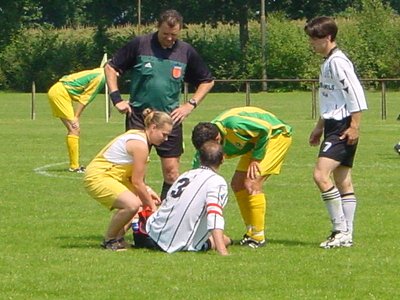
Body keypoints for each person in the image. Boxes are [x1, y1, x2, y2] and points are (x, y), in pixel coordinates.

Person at [104, 9, 214, 199]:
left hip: (171, 119)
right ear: (157, 27)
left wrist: (190, 105)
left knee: (172, 171)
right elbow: (110, 67)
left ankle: (165, 217)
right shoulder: (140, 44)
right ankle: (139, 219)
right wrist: (116, 99)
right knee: (136, 173)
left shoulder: (185, 51)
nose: (170, 38)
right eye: (165, 34)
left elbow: (208, 80)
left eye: (174, 35)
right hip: (139, 117)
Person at [304, 16, 368, 248]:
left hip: (343, 126)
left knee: (321, 175)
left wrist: (354, 126)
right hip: (333, 124)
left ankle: (339, 229)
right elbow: (333, 99)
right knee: (343, 180)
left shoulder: (338, 62)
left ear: (328, 38)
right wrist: (320, 126)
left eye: (315, 39)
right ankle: (347, 236)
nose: (312, 43)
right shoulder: (327, 62)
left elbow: (355, 95)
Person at [191, 106, 293, 248]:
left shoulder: (234, 124)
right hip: (255, 143)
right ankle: (251, 231)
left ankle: (258, 237)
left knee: (252, 183)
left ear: (217, 138)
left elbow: (264, 129)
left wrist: (256, 159)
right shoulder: (207, 139)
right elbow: (198, 170)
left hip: (275, 136)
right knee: (238, 184)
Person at [83, 109, 173, 251]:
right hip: (98, 176)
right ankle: (109, 240)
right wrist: (153, 209)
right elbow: (137, 182)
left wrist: (148, 193)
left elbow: (136, 179)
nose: (166, 139)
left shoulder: (142, 139)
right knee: (132, 204)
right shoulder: (140, 145)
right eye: (164, 134)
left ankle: (119, 238)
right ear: (153, 127)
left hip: (114, 175)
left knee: (145, 201)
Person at [139, 141, 231, 256]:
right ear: (222, 159)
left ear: (200, 158)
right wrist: (222, 250)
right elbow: (214, 214)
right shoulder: (217, 181)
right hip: (174, 244)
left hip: (149, 233)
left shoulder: (186, 174)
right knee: (224, 239)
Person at [47, 67, 106, 173]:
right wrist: (76, 117)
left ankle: (74, 165)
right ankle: (74, 167)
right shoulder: (101, 77)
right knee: (74, 128)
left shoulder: (99, 72)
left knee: (74, 129)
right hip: (60, 93)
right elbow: (86, 98)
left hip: (59, 91)